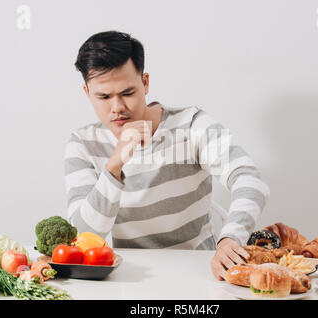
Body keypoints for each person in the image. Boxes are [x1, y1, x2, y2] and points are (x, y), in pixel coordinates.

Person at [65, 30, 270, 281]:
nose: (117, 107)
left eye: (127, 93)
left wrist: (230, 239)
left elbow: (249, 179)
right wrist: (114, 165)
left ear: (146, 83)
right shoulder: (83, 144)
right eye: (104, 97)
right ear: (87, 93)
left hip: (202, 272)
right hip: (131, 277)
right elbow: (84, 236)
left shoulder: (191, 124)